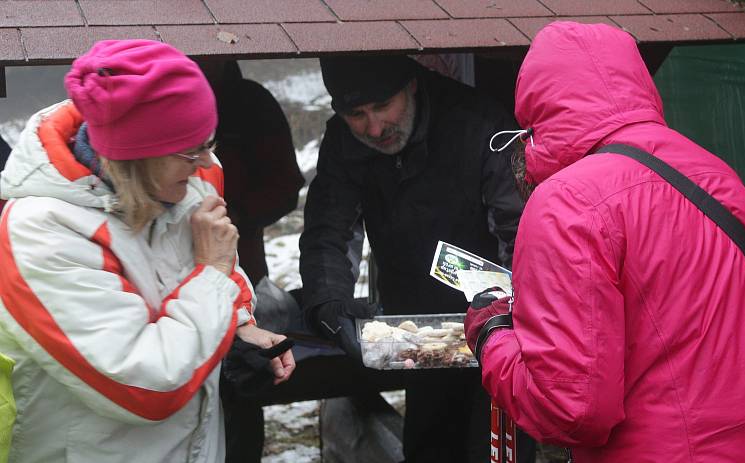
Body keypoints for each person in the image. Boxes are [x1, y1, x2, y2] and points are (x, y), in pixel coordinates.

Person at [464, 21, 745, 462]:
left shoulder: (565, 202)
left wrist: (492, 335)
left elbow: (570, 410)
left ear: (536, 114)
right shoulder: (717, 177)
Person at [0, 39, 295, 462]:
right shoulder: (43, 232)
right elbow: (147, 385)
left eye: (208, 140)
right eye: (192, 149)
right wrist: (212, 276)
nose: (208, 161)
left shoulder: (185, 182)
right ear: (133, 157)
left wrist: (241, 325)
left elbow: (211, 265)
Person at [299, 55, 530, 463]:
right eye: (356, 114)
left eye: (383, 107)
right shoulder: (344, 141)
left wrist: (513, 316)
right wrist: (329, 305)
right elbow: (328, 232)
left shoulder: (479, 124)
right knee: (428, 447)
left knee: (493, 451)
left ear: (411, 86)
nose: (373, 127)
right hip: (416, 330)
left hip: (501, 331)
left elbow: (519, 232)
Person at [198, 60, 305, 463]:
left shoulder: (251, 103)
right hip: (189, 290)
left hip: (243, 265)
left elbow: (285, 185)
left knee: (242, 382)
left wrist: (239, 215)